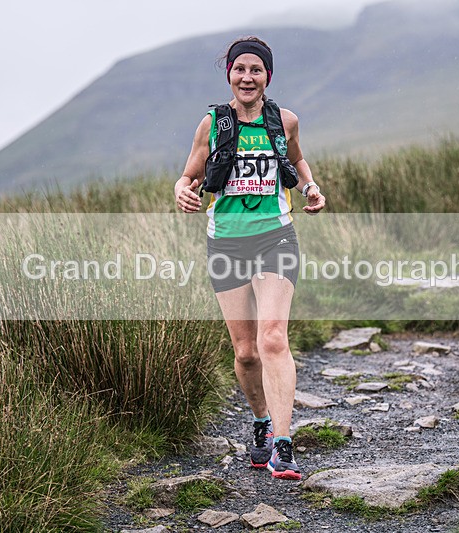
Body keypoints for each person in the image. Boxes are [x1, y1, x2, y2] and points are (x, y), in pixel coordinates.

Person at [174, 36, 325, 480]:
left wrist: (311, 190)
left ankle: (283, 444)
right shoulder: (213, 125)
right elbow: (188, 175)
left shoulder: (285, 121)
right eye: (240, 69)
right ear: (229, 75)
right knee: (244, 353)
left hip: (276, 238)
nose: (247, 77)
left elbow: (298, 165)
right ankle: (260, 422)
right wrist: (182, 190)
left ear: (267, 77)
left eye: (256, 70)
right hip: (226, 243)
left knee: (273, 338)